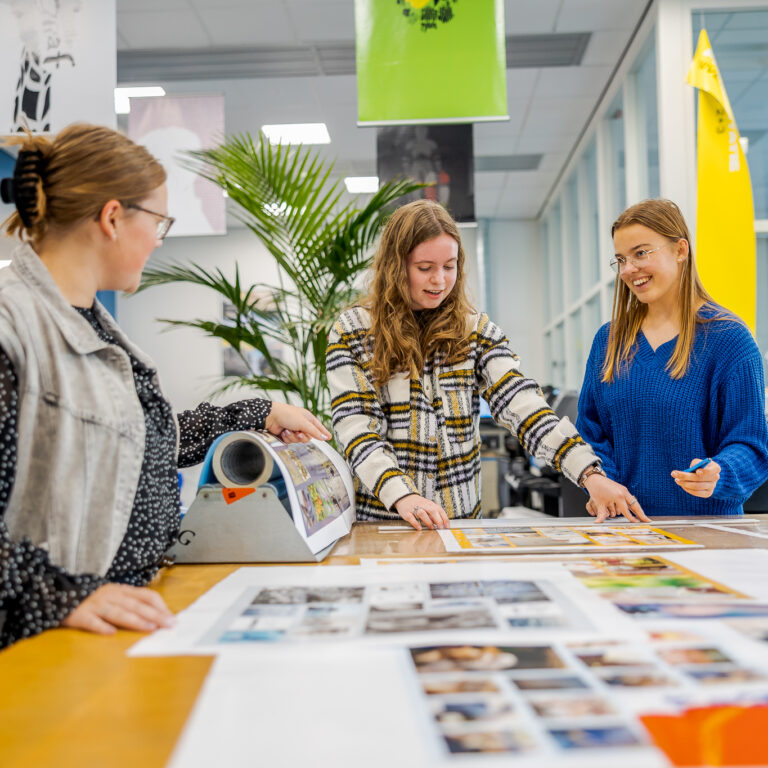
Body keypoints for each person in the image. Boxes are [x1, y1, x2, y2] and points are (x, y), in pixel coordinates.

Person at [0, 123, 331, 648]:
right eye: (158, 221)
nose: (160, 237)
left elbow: (139, 447)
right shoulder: (12, 325)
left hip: (122, 622)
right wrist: (59, 595)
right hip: (44, 641)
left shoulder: (93, 324)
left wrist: (256, 413)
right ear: (112, 218)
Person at [326, 199, 643, 531]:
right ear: (396, 265)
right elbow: (356, 428)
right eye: (424, 268)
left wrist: (588, 473)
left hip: (458, 524)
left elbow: (524, 406)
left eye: (449, 266)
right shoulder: (353, 333)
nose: (439, 280)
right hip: (385, 521)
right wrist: (402, 495)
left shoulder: (474, 331)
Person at [576, 198, 768, 521]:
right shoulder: (608, 342)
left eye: (640, 253)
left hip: (707, 537)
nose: (628, 270)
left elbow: (752, 447)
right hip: (625, 535)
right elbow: (590, 435)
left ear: (681, 250)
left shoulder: (729, 340)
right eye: (621, 259)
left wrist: (718, 472)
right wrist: (600, 483)